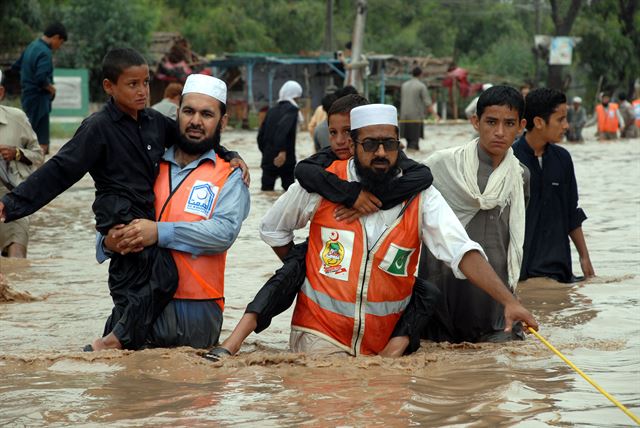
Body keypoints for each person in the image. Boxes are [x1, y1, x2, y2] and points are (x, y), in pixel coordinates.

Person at [249, 104, 538, 357]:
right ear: (352, 144)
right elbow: (273, 229)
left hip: (385, 342)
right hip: (320, 334)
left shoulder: (420, 195)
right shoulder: (320, 185)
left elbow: (460, 250)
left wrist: (509, 302)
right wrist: (306, 271)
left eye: (389, 144)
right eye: (370, 144)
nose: (381, 152)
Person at [205, 95, 436, 360]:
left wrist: (377, 200)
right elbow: (298, 179)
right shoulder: (322, 166)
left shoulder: (394, 163)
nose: (339, 141)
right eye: (333, 132)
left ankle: (392, 353)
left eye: (347, 133)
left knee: (427, 290)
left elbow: (424, 175)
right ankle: (233, 342)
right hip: (328, 284)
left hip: (378, 283)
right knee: (296, 265)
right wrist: (348, 196)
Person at [1, 48, 188, 352]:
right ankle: (106, 345)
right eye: (132, 84)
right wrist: (10, 204)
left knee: (130, 300)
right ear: (109, 87)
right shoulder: (98, 127)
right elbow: (59, 170)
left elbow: (191, 141)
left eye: (145, 82)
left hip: (145, 218)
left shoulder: (156, 122)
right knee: (164, 277)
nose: (142, 91)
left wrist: (229, 156)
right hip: (118, 217)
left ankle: (100, 355)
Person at [98, 74, 250, 349]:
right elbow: (114, 214)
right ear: (177, 114)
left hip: (195, 313)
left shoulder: (230, 175)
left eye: (207, 114)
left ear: (222, 122)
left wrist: (159, 232)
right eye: (189, 111)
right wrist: (108, 243)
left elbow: (223, 232)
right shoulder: (148, 163)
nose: (195, 121)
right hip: (132, 305)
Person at [418, 85, 530, 344]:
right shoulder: (441, 165)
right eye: (491, 122)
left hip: (494, 303)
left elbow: (514, 238)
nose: (499, 132)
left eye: (509, 123)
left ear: (521, 126)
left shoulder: (520, 176)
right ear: (475, 122)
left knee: (496, 376)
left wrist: (512, 296)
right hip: (443, 293)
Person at [513, 88, 595, 283]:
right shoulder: (511, 158)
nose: (566, 126)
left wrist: (585, 258)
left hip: (559, 270)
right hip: (521, 273)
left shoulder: (563, 159)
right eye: (560, 119)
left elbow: (571, 214)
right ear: (539, 122)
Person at [0, 70, 45, 258]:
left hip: (11, 198)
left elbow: (39, 155)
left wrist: (17, 153)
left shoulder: (16, 118)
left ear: (0, 93)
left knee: (16, 255)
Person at [12, 23, 67, 155]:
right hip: (39, 99)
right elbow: (41, 78)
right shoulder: (45, 52)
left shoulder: (31, 46)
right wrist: (51, 88)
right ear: (56, 37)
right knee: (41, 142)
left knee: (26, 133)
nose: (59, 47)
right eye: (61, 42)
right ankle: (38, 172)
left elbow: (15, 67)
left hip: (27, 97)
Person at [258, 80, 303, 191]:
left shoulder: (271, 110)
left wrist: (267, 153)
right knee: (289, 194)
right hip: (285, 158)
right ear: (295, 96)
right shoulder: (292, 110)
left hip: (268, 159)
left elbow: (260, 136)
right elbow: (282, 129)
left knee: (266, 191)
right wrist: (282, 152)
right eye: (298, 97)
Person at [400, 67, 438, 150]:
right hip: (415, 118)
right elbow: (427, 103)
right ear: (421, 74)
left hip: (404, 118)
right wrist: (435, 115)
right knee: (414, 145)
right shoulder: (421, 86)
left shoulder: (404, 85)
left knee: (409, 143)